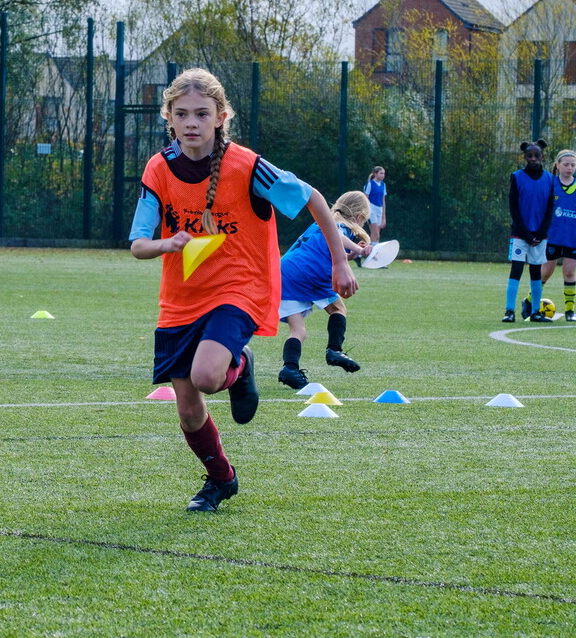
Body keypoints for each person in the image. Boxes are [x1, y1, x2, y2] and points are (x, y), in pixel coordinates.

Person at [128, 68, 359, 512]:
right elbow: (138, 245)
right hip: (181, 297)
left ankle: (239, 361)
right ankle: (221, 480)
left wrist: (338, 260)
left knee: (207, 375)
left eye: (201, 113)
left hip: (241, 288)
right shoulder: (159, 169)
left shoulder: (248, 166)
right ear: (169, 119)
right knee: (189, 411)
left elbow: (312, 198)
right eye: (181, 114)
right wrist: (167, 243)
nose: (191, 122)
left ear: (221, 116)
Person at [277, 190, 372, 389]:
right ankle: (334, 350)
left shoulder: (320, 221)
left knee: (298, 330)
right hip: (310, 273)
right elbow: (336, 236)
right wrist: (359, 249)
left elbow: (332, 251)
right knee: (338, 309)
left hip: (284, 273)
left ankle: (290, 369)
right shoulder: (337, 224)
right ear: (358, 216)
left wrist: (352, 254)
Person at [523, 149, 576, 322]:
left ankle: (570, 311)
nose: (569, 168)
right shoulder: (550, 184)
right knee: (546, 271)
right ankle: (530, 301)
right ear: (558, 165)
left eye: (573, 165)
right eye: (566, 164)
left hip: (573, 238)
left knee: (569, 272)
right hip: (551, 236)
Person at [502, 140, 554, 323]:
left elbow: (550, 209)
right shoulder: (516, 177)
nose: (533, 158)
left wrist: (540, 234)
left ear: (543, 156)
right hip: (520, 233)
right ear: (524, 157)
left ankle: (535, 312)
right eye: (529, 155)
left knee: (535, 271)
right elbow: (513, 208)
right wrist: (525, 234)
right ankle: (509, 311)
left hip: (540, 235)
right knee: (516, 269)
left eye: (536, 155)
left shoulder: (550, 179)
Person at [363, 166, 387, 244]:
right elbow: (365, 198)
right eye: (381, 173)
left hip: (379, 210)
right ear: (375, 174)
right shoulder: (370, 183)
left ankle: (360, 253)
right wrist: (366, 211)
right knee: (376, 234)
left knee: (375, 236)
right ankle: (373, 255)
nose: (383, 175)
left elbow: (383, 201)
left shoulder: (383, 185)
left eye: (384, 173)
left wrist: (384, 217)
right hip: (371, 210)